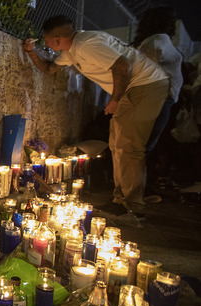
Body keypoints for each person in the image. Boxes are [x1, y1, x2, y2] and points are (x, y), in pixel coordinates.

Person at [23, 15, 169, 218]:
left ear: (57, 39)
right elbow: (49, 68)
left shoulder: (85, 45)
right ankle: (120, 200)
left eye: (46, 40)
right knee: (117, 144)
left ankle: (133, 207)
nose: (45, 43)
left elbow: (123, 66)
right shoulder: (71, 49)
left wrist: (115, 99)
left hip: (145, 86)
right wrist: (31, 52)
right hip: (133, 88)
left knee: (129, 146)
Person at [133, 6, 183, 199]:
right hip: (157, 99)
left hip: (161, 99)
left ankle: (140, 188)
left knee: (145, 145)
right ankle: (137, 190)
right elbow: (145, 73)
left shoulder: (157, 40)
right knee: (143, 146)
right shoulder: (157, 41)